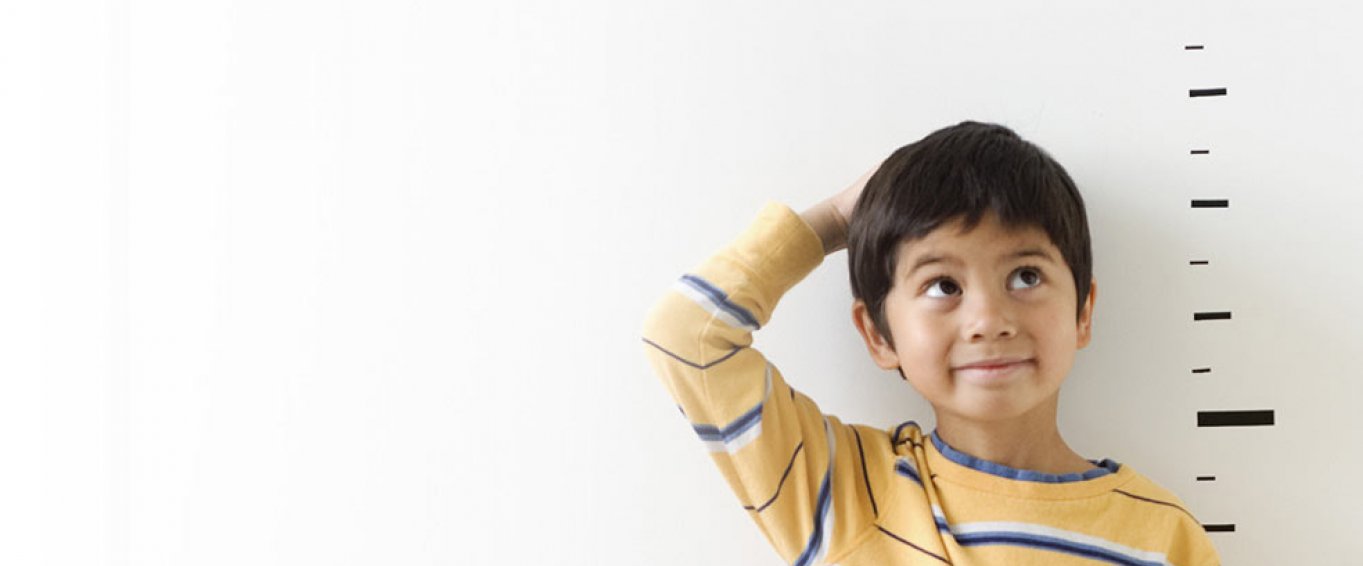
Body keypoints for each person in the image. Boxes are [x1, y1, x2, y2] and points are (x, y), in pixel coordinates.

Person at [640, 121, 1221, 565]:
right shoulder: (847, 491)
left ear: (1083, 313)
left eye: (1025, 276)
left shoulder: (1163, 538)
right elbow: (688, 335)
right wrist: (839, 218)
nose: (989, 319)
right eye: (943, 285)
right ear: (878, 334)